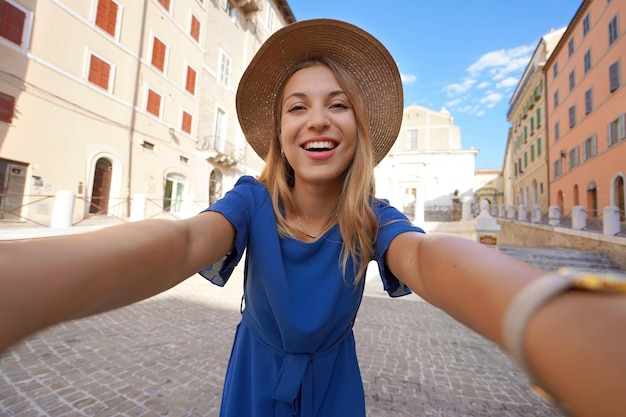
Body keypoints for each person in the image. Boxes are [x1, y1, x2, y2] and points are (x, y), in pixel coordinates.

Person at [0, 18, 625, 417]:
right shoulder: (249, 201)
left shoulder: (375, 220)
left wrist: (544, 310)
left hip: (334, 390)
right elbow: (184, 240)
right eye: (297, 106)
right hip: (254, 381)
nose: (317, 119)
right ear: (280, 132)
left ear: (359, 130)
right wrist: (25, 278)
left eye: (338, 105)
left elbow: (430, 259)